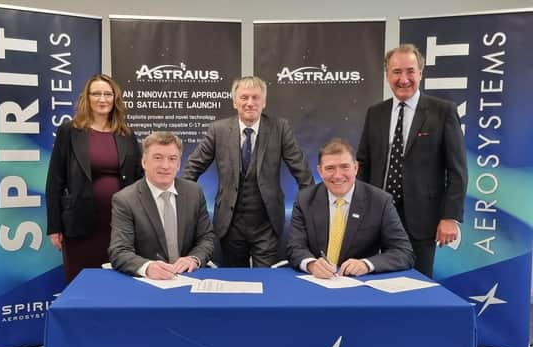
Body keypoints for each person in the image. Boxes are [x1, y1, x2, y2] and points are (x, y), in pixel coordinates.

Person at [356, 44, 467, 277]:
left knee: (418, 286)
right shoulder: (375, 112)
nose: (403, 79)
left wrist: (450, 217)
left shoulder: (443, 111)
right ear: (387, 75)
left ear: (420, 73)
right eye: (396, 72)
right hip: (378, 215)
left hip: (422, 220)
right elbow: (363, 164)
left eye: (410, 71)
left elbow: (457, 170)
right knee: (377, 282)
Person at [182, 76, 314, 267]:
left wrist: (310, 209)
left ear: (264, 102)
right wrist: (183, 202)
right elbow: (192, 168)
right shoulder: (217, 130)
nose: (250, 103)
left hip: (267, 224)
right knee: (234, 283)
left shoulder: (280, 128)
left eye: (255, 98)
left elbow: (301, 171)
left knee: (266, 281)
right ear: (235, 102)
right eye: (244, 98)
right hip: (229, 224)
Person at [46, 74, 143, 283]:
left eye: (108, 94)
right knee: (81, 282)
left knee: (119, 281)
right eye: (96, 93)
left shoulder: (127, 134)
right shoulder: (69, 131)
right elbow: (55, 180)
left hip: (120, 223)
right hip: (80, 223)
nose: (102, 99)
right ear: (86, 98)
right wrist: (54, 227)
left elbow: (138, 179)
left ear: (115, 98)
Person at [287, 138, 414, 279]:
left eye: (345, 167)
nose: (337, 175)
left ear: (356, 168)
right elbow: (295, 247)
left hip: (360, 285)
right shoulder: (304, 200)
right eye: (330, 168)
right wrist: (311, 264)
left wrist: (366, 264)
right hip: (316, 282)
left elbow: (404, 252)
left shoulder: (380, 201)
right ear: (320, 171)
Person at [109, 131, 215, 280]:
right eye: (158, 158)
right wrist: (147, 267)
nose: (165, 166)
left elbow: (206, 238)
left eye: (172, 159)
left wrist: (193, 259)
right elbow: (119, 251)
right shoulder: (125, 199)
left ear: (178, 165)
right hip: (148, 282)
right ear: (144, 162)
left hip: (189, 276)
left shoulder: (194, 192)